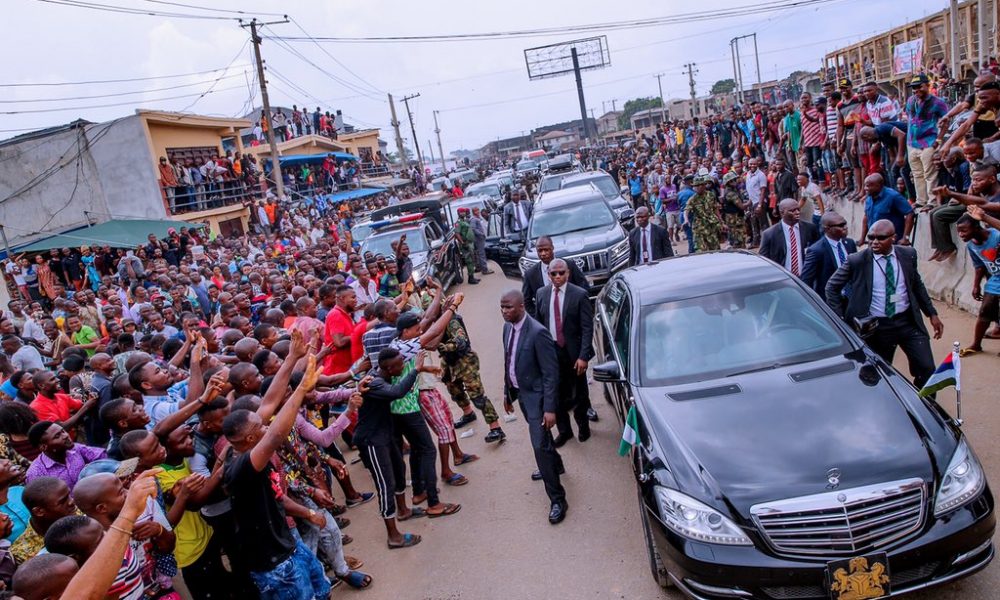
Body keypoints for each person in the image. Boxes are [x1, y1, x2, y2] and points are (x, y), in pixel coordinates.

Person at [222, 355, 335, 599]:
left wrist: (292, 357)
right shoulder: (242, 466)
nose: (266, 426)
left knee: (322, 589)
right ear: (250, 439)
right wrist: (301, 390)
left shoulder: (247, 446)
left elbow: (270, 402)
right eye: (260, 427)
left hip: (290, 547)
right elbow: (275, 434)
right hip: (274, 564)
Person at [825, 219, 943, 388]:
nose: (874, 242)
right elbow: (831, 287)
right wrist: (841, 318)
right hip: (877, 328)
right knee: (876, 375)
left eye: (880, 238)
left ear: (893, 238)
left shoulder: (908, 255)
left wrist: (932, 314)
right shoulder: (857, 260)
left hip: (907, 322)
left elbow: (917, 285)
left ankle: (924, 407)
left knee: (927, 369)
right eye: (870, 237)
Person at [499, 290, 566, 525]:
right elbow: (509, 360)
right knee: (544, 442)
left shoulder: (538, 333)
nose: (505, 311)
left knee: (539, 446)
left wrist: (549, 409)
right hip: (522, 395)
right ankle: (555, 464)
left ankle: (558, 499)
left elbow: (551, 374)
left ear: (521, 306)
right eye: (502, 307)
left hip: (538, 399)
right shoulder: (507, 328)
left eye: (509, 307)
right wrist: (507, 393)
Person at [534, 260, 593, 449]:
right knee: (556, 394)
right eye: (553, 274)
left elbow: (586, 328)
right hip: (552, 354)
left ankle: (583, 426)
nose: (557, 277)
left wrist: (583, 356)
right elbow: (538, 326)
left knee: (580, 393)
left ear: (568, 273)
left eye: (561, 273)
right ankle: (565, 431)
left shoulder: (579, 295)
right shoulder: (541, 294)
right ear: (548, 275)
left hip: (574, 354)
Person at [957, 208, 1000, 356]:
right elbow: (979, 266)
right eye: (959, 231)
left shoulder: (996, 236)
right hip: (995, 279)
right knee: (985, 311)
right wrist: (975, 285)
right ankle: (976, 344)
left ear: (976, 227)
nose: (961, 234)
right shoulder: (971, 245)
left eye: (964, 230)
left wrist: (985, 216)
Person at [905, 74, 950, 207]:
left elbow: (946, 122)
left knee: (930, 173)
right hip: (912, 143)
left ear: (928, 86)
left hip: (929, 142)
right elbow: (909, 119)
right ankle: (921, 201)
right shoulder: (910, 101)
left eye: (919, 86)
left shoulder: (938, 102)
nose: (916, 90)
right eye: (913, 88)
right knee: (917, 174)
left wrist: (939, 140)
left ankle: (932, 202)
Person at [521, 236, 589, 320]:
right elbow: (526, 300)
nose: (543, 253)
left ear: (552, 248)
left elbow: (584, 287)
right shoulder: (531, 274)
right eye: (540, 251)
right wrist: (538, 317)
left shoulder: (569, 265)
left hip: (572, 319)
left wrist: (576, 308)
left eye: (546, 250)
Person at [24, 421, 106, 489]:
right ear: (44, 447)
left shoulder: (75, 448)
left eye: (63, 431)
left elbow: (102, 456)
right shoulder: (36, 473)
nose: (66, 436)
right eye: (57, 436)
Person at [759, 198, 820, 278]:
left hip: (806, 278)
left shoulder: (810, 229)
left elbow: (817, 252)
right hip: (782, 279)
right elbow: (763, 261)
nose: (797, 212)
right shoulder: (769, 234)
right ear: (782, 213)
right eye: (792, 211)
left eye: (798, 209)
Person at [802, 211, 858, 297]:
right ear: (827, 229)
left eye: (845, 224)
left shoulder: (850, 244)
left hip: (851, 298)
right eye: (841, 225)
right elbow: (806, 281)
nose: (845, 227)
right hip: (830, 301)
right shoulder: (816, 250)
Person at [859, 173, 914, 245]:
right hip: (874, 241)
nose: (865, 188)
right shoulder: (869, 198)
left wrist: (905, 238)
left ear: (878, 185)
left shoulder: (893, 196)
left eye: (869, 186)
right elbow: (866, 217)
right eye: (865, 185)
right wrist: (862, 238)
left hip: (891, 243)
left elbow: (910, 213)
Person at [684, 175, 725, 252]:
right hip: (699, 227)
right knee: (700, 250)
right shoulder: (693, 199)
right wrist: (686, 220)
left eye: (700, 185)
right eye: (696, 186)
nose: (698, 187)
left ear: (704, 185)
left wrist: (721, 221)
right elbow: (686, 210)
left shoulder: (710, 195)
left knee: (715, 248)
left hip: (711, 225)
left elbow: (715, 208)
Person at [454, 207, 480, 285]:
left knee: (472, 260)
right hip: (465, 244)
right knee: (469, 260)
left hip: (469, 243)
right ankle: (470, 278)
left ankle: (472, 276)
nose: (463, 213)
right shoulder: (458, 223)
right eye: (462, 212)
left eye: (464, 212)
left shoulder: (464, 221)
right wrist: (462, 242)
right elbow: (457, 233)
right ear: (458, 213)